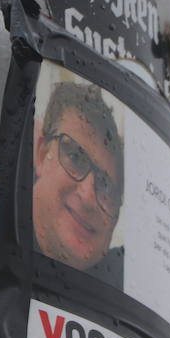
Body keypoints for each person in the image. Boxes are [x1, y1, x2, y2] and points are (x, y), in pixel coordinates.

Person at [32, 80, 124, 284]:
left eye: (106, 185)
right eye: (75, 157)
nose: (88, 196)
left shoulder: (127, 285)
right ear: (42, 153)